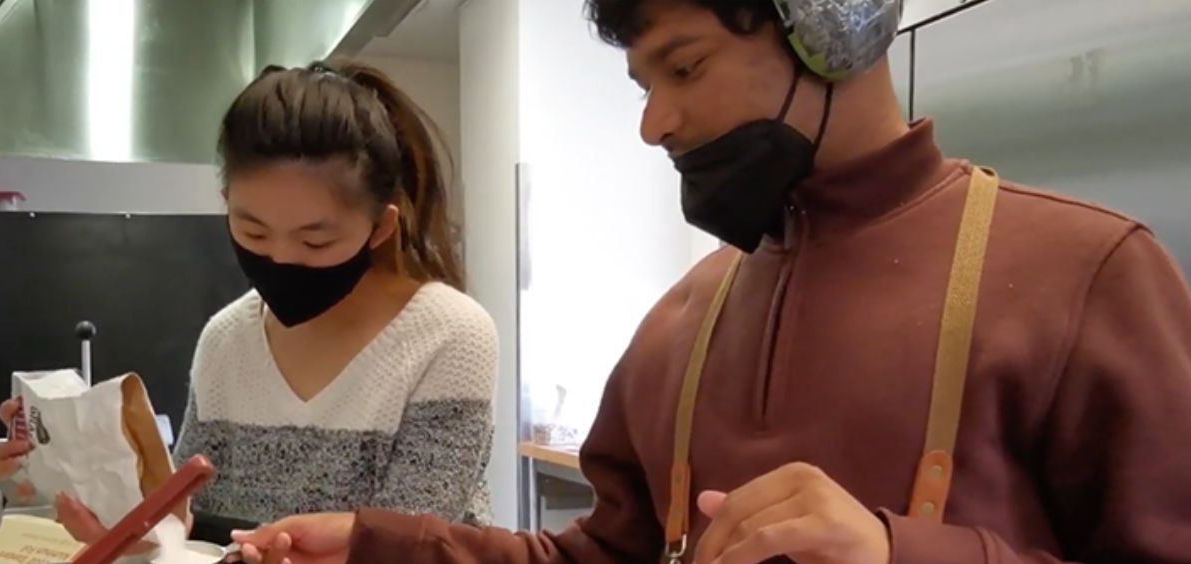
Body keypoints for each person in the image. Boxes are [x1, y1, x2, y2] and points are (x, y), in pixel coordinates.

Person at [233, 0, 1191, 563]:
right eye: (644, 84)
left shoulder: (1088, 275)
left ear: (830, 28)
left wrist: (901, 551)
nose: (654, 124)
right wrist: (374, 545)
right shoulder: (684, 323)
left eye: (684, 68)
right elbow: (600, 559)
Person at [0, 59, 500, 550]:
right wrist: (87, 477)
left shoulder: (449, 336)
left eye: (315, 242)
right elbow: (187, 517)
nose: (279, 258)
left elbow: (403, 543)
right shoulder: (228, 339)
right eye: (252, 229)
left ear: (380, 227)